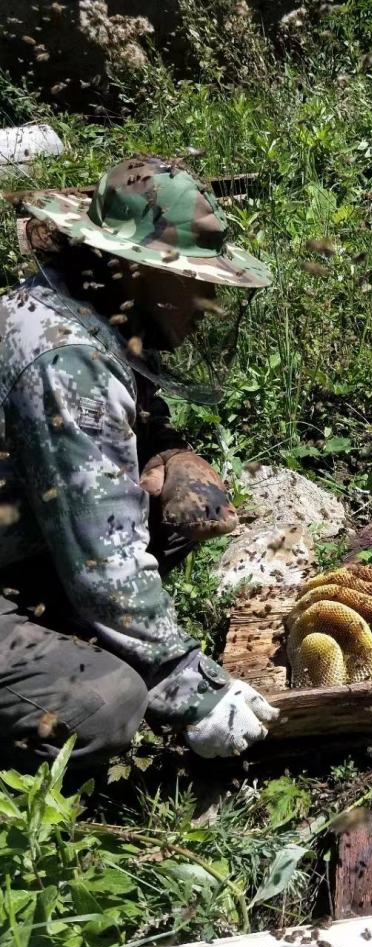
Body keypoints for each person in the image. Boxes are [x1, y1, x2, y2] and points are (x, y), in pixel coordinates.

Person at [0, 156, 279, 768]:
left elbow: (128, 429)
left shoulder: (94, 311)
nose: (207, 301)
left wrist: (170, 453)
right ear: (135, 271)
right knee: (105, 705)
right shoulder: (64, 361)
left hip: (21, 540)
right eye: (195, 282)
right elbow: (104, 561)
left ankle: (70, 634)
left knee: (193, 503)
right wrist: (193, 690)